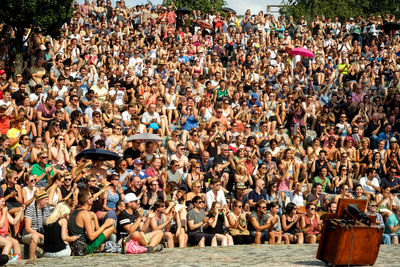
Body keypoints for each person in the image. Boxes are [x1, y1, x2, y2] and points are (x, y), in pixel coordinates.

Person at [68, 188, 115, 255]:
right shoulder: (85, 214)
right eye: (92, 197)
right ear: (88, 201)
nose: (93, 198)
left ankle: (102, 246)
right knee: (111, 228)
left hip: (73, 248)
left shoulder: (75, 210)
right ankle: (102, 247)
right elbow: (91, 237)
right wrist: (105, 225)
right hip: (84, 249)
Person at [22, 190, 52, 259]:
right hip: (28, 235)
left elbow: (49, 223)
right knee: (35, 237)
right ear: (38, 200)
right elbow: (28, 228)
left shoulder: (46, 209)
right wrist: (41, 235)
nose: (47, 202)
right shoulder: (30, 209)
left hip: (41, 234)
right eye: (46, 200)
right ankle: (31, 259)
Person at [0, 197, 24, 263]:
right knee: (8, 243)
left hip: (3, 235)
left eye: (4, 202)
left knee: (15, 242)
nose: (4, 203)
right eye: (2, 201)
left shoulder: (4, 212)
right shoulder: (4, 212)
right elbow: (0, 225)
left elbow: (14, 221)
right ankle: (2, 261)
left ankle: (16, 262)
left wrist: (21, 211)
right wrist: (4, 213)